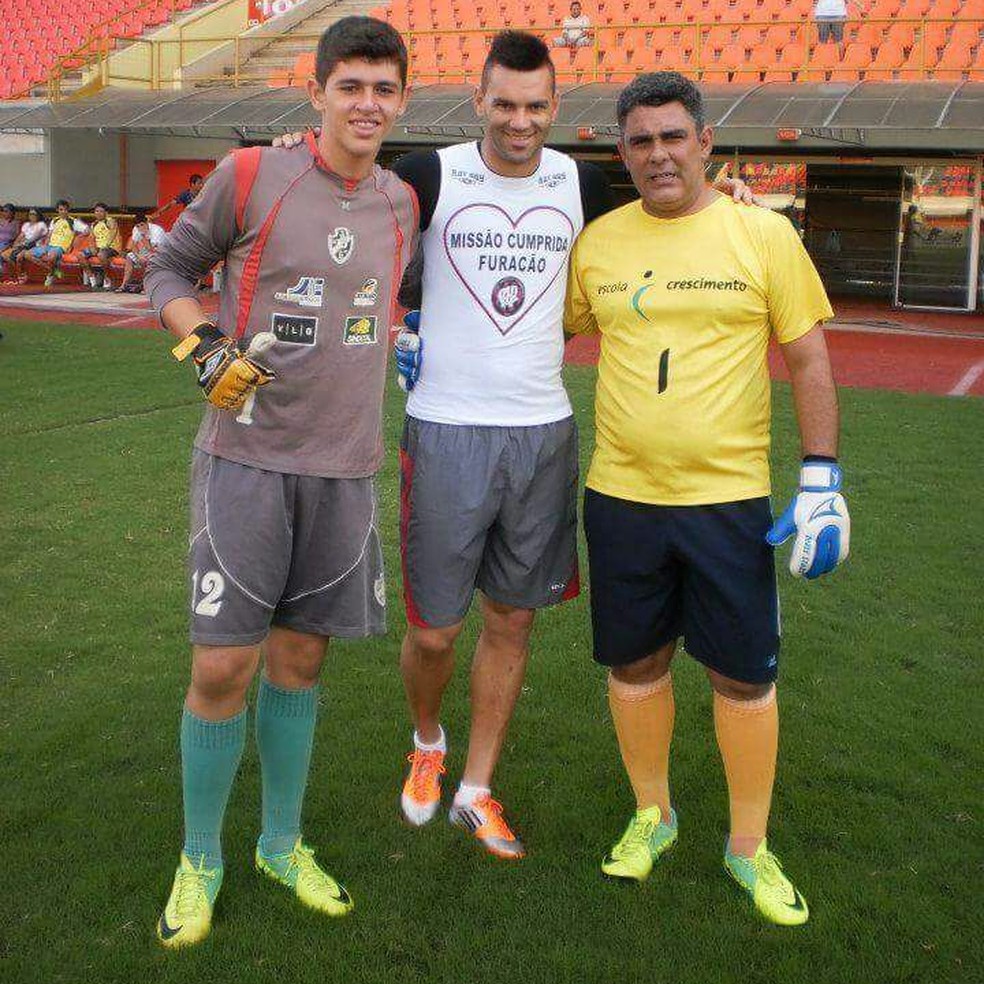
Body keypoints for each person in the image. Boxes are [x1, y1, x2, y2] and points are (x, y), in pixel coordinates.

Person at [275, 31, 754, 861]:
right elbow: (343, 191)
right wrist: (297, 151)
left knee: (513, 621)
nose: (521, 121)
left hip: (543, 433)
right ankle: (428, 743)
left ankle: (476, 786)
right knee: (434, 632)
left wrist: (727, 191)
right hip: (447, 429)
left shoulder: (585, 181)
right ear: (479, 102)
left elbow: (669, 210)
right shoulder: (430, 173)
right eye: (505, 104)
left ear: (554, 108)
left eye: (536, 107)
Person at [144, 16, 417, 949]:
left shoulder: (399, 202)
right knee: (223, 665)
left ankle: (280, 842)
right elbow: (171, 268)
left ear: (402, 100)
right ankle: (201, 857)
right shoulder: (254, 173)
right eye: (352, 86)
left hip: (343, 471)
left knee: (302, 665)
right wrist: (204, 347)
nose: (368, 104)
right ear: (318, 90)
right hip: (246, 460)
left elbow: (378, 312)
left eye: (384, 89)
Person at [564, 72, 850, 926]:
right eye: (641, 141)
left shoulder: (762, 236)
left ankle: (748, 846)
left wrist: (822, 476)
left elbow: (809, 360)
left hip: (729, 503)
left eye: (672, 136)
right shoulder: (600, 244)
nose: (658, 154)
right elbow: (546, 330)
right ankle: (653, 812)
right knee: (635, 663)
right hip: (619, 496)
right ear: (623, 155)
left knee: (741, 673)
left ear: (705, 143)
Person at [115, 211, 166, 292]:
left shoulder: (156, 230)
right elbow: (133, 245)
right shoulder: (136, 229)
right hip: (147, 251)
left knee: (148, 259)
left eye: (142, 225)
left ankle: (147, 286)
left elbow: (153, 250)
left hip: (161, 253)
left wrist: (144, 236)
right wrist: (138, 255)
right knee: (129, 257)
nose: (140, 227)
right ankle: (124, 285)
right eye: (138, 226)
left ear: (146, 223)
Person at [30, 199, 77, 287]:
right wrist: (45, 245)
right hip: (50, 246)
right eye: (61, 210)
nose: (63, 212)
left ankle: (50, 275)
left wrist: (72, 245)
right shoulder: (54, 221)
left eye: (65, 210)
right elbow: (49, 235)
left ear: (68, 210)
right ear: (58, 210)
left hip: (60, 247)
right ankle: (54, 270)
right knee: (27, 254)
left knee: (50, 257)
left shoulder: (73, 221)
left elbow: (84, 232)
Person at [79, 202, 123, 290]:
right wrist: (92, 247)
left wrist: (105, 246)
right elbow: (91, 238)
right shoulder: (94, 224)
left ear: (106, 213)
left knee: (101, 255)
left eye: (101, 211)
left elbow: (112, 234)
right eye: (96, 211)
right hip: (99, 248)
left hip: (111, 248)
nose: (98, 213)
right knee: (81, 255)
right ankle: (92, 279)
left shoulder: (110, 221)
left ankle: (107, 278)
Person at [1, 207, 46, 284]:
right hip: (22, 245)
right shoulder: (26, 224)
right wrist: (15, 244)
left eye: (34, 214)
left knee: (18, 256)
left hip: (34, 245)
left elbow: (35, 237)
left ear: (38, 215)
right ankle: (17, 274)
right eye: (30, 214)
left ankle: (21, 275)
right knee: (4, 254)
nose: (31, 216)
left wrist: (22, 244)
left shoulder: (41, 224)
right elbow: (20, 236)